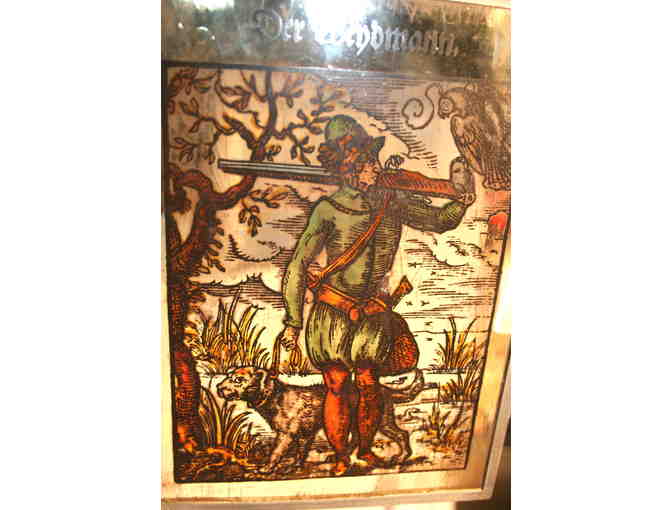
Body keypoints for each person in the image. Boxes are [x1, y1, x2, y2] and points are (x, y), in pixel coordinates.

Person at [279, 115, 475, 476]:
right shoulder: (328, 209)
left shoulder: (392, 202)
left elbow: (439, 221)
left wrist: (461, 201)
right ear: (350, 167)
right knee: (337, 383)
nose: (376, 166)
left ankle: (365, 450)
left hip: (373, 312)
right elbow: (297, 265)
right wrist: (292, 321)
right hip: (332, 312)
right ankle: (341, 458)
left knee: (369, 384)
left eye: (373, 158)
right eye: (368, 160)